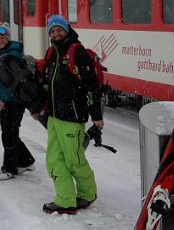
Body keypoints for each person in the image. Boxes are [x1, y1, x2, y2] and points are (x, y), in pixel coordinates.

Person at [36, 15, 103, 215]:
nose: (56, 33)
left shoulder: (77, 52)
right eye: (52, 31)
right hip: (54, 117)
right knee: (54, 159)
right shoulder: (52, 53)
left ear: (66, 30)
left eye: (59, 29)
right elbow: (47, 84)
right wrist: (41, 109)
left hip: (72, 117)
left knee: (74, 160)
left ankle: (87, 194)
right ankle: (65, 200)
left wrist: (96, 114)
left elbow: (91, 86)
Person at [0, 25, 36, 181]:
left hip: (14, 101)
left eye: (3, 38)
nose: (0, 40)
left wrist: (4, 100)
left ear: (8, 38)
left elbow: (13, 82)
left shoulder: (11, 55)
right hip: (15, 100)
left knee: (9, 135)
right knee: (11, 132)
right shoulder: (8, 53)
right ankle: (26, 161)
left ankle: (10, 168)